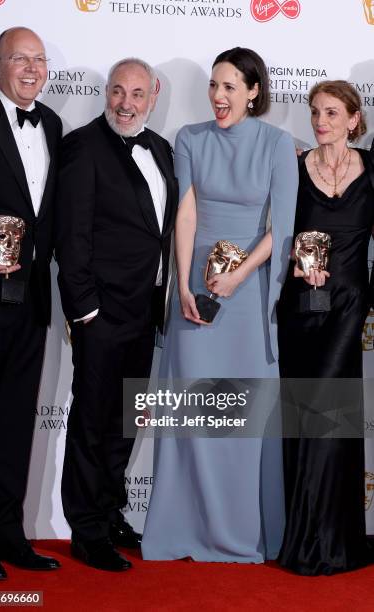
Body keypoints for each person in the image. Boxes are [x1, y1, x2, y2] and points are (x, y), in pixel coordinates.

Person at [142, 47, 298, 562]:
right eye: (214, 85)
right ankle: (183, 528)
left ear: (254, 91)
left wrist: (241, 275)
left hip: (248, 296)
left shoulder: (278, 144)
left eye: (230, 86)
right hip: (196, 296)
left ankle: (246, 533)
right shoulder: (189, 138)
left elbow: (283, 228)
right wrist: (186, 288)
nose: (218, 96)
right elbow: (185, 216)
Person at [55, 58, 178, 572]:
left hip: (144, 311)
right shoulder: (84, 146)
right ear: (107, 93)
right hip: (101, 313)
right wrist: (84, 310)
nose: (125, 103)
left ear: (153, 96)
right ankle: (86, 530)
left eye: (136, 94)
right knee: (92, 421)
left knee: (125, 423)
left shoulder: (162, 149)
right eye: (117, 92)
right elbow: (72, 235)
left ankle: (109, 513)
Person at [0, 27, 62, 581]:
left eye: (39, 60)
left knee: (12, 424)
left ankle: (8, 533)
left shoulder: (51, 124)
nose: (31, 68)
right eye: (20, 59)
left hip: (31, 303)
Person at [278, 80, 374, 575]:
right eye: (315, 111)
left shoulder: (371, 170)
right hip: (301, 308)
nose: (321, 121)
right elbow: (274, 232)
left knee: (330, 413)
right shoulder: (293, 168)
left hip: (348, 307)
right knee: (305, 412)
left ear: (354, 120)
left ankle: (331, 542)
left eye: (332, 113)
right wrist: (294, 265)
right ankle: (306, 537)